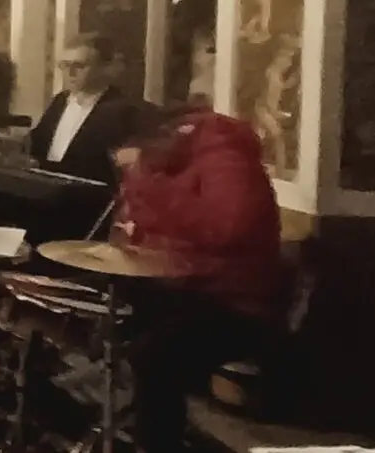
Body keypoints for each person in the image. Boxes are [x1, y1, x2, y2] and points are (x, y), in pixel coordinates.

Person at [115, 107, 287, 453]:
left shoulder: (224, 155)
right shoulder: (173, 161)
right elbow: (157, 225)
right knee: (114, 318)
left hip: (238, 303)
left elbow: (228, 225)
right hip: (193, 290)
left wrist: (149, 184)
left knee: (154, 356)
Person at [29, 33, 141, 187]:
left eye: (79, 66)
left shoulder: (122, 110)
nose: (70, 73)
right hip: (45, 192)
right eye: (65, 65)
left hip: (86, 200)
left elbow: (107, 169)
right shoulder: (60, 100)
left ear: (104, 68)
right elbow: (38, 145)